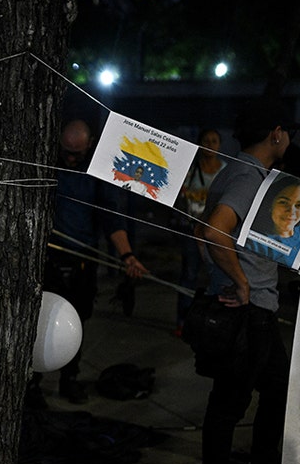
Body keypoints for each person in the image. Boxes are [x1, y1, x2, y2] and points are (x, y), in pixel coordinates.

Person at [192, 97, 300, 464]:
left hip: (255, 309)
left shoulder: (241, 172)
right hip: (249, 311)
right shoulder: (247, 177)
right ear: (276, 134)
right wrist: (239, 282)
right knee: (228, 406)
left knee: (277, 392)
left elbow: (201, 232)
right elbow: (215, 229)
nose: (289, 138)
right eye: (287, 131)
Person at [43, 118, 148, 404]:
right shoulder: (51, 163)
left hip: (82, 258)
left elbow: (111, 217)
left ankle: (70, 379)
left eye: (76, 153)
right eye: (66, 151)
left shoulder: (97, 172)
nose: (70, 158)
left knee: (75, 320)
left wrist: (127, 255)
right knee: (41, 319)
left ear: (90, 145)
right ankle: (33, 382)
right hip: (48, 256)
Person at [173, 128, 223, 335]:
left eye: (214, 141)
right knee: (189, 275)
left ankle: (217, 322)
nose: (210, 145)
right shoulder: (190, 170)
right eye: (206, 141)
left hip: (216, 232)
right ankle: (183, 321)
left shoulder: (225, 171)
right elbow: (178, 199)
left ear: (220, 145)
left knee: (218, 277)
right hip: (192, 231)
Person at [246, 175, 300, 266]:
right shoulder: (254, 243)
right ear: (270, 204)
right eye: (283, 202)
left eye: (299, 205)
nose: (291, 211)